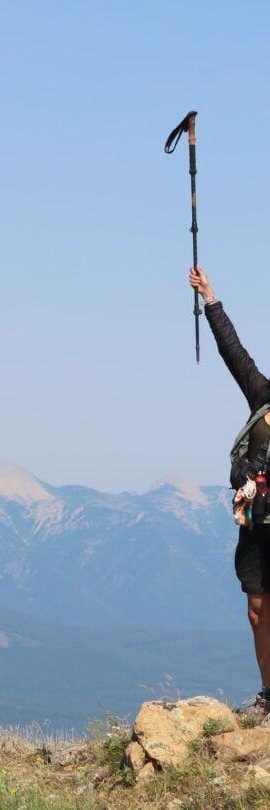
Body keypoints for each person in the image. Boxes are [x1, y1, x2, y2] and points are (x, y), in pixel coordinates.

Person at [190, 266, 270, 713]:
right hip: (256, 524)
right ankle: (269, 695)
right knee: (258, 613)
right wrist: (210, 297)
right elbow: (233, 351)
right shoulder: (262, 395)